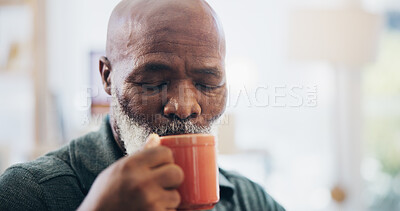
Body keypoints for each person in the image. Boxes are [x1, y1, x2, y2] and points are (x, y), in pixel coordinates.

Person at [0, 0, 285, 210]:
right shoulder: (28, 194)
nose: (184, 107)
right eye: (153, 82)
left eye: (207, 84)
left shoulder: (250, 200)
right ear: (107, 78)